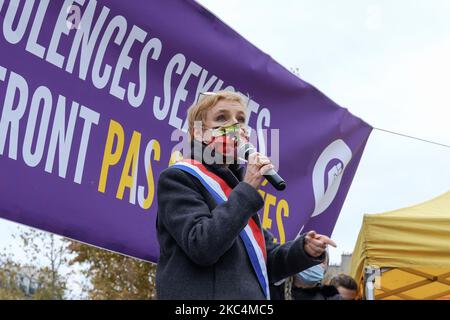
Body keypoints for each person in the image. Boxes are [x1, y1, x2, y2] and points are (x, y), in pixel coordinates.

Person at [155, 91, 337, 300]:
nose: (235, 125)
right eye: (222, 118)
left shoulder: (236, 190)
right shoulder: (178, 178)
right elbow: (202, 246)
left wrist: (304, 249)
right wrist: (248, 188)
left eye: (240, 119)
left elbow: (265, 260)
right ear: (198, 133)